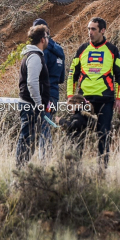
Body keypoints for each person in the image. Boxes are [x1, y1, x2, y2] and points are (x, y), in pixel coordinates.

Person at [66, 17, 120, 167]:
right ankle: (74, 167)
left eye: (93, 29)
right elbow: (72, 75)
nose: (90, 32)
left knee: (103, 134)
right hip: (84, 100)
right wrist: (70, 97)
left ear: (102, 30)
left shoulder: (112, 50)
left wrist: (119, 98)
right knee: (76, 129)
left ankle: (102, 169)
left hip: (105, 100)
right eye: (88, 29)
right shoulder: (82, 49)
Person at [16, 25, 50, 167]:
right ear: (42, 39)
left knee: (29, 139)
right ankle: (20, 169)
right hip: (30, 105)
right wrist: (39, 102)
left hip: (31, 104)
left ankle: (24, 169)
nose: (48, 40)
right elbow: (31, 82)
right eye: (47, 37)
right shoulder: (35, 57)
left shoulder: (34, 55)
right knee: (26, 139)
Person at [32, 18, 66, 158]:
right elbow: (62, 78)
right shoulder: (59, 50)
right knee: (46, 126)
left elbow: (35, 75)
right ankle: (45, 159)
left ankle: (43, 161)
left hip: (40, 94)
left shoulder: (41, 51)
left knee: (38, 128)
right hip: (53, 94)